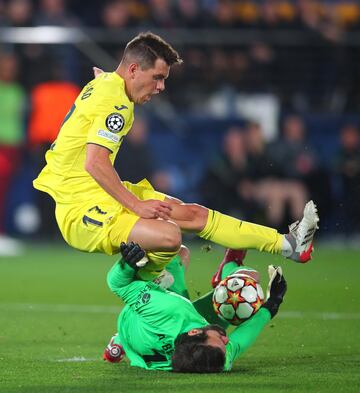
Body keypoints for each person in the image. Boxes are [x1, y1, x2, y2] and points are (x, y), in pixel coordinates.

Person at [33, 32, 319, 283]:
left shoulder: (109, 84)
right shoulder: (115, 100)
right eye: (157, 77)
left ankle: (287, 245)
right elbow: (94, 162)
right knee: (171, 239)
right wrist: (136, 205)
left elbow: (103, 84)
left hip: (99, 195)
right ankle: (147, 282)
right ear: (133, 70)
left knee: (193, 215)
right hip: (80, 210)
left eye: (164, 79)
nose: (161, 87)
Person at [103, 242, 287, 372]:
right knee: (229, 308)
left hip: (137, 319)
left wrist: (126, 265)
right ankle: (228, 268)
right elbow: (239, 341)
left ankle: (120, 340)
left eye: (219, 339)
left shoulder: (169, 308)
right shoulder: (211, 359)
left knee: (178, 251)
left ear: (194, 333)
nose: (226, 340)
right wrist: (273, 303)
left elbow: (118, 284)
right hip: (143, 352)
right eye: (224, 345)